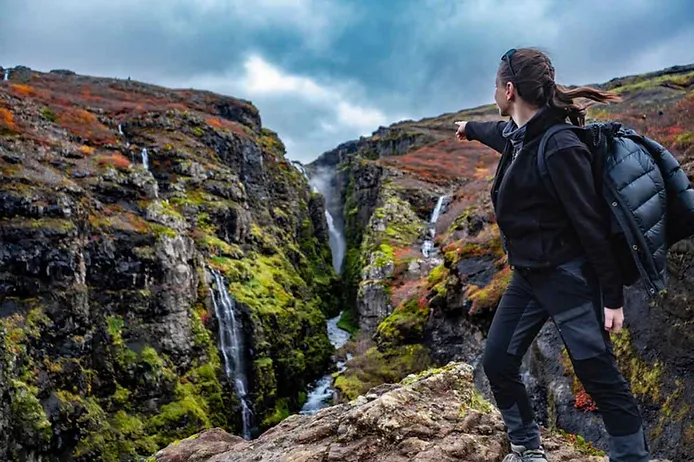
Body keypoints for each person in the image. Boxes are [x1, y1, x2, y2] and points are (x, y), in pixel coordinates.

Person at [454, 48, 649, 462]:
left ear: (509, 90)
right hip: (529, 278)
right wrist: (469, 127)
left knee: (600, 379)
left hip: (570, 280)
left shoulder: (560, 145)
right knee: (498, 362)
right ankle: (527, 450)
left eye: (495, 86)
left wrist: (612, 297)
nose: (493, 94)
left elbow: (591, 226)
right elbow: (498, 133)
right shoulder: (519, 133)